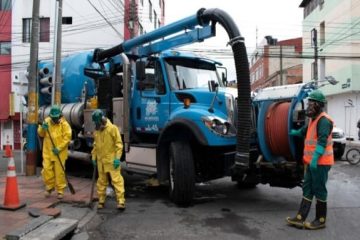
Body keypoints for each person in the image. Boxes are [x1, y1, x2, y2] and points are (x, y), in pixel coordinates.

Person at [286, 89, 334, 230]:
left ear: (318, 105)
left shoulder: (324, 121)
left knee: (319, 189)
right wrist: (295, 132)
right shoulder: (314, 119)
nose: (309, 106)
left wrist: (315, 160)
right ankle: (300, 218)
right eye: (309, 103)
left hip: (320, 163)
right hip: (311, 162)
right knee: (307, 188)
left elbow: (322, 141)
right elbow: (305, 131)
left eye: (311, 103)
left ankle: (320, 220)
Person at [91, 109, 125, 210]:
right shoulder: (97, 131)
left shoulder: (112, 129)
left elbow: (119, 144)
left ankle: (121, 201)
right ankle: (101, 200)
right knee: (101, 181)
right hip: (101, 161)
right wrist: (94, 157)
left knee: (116, 180)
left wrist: (117, 158)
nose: (96, 125)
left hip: (111, 161)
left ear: (102, 120)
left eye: (97, 123)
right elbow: (95, 146)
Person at [38, 105, 72, 199]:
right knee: (46, 169)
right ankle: (49, 187)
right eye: (53, 117)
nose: (54, 119)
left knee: (59, 172)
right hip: (48, 151)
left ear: (59, 115)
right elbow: (41, 134)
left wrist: (59, 148)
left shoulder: (64, 124)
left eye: (56, 117)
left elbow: (67, 138)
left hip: (59, 153)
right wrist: (42, 129)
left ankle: (60, 191)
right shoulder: (46, 121)